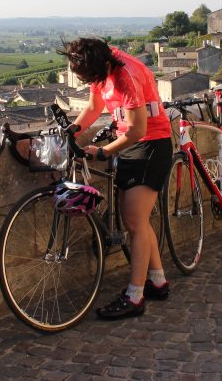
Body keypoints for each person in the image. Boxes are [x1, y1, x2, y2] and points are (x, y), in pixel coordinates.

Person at [60, 37, 172, 319]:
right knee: (137, 219)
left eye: (90, 78)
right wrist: (73, 129)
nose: (89, 82)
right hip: (132, 142)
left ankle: (135, 297)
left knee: (134, 220)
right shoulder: (101, 66)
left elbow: (137, 129)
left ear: (101, 66)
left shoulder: (126, 74)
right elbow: (94, 107)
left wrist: (102, 152)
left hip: (150, 143)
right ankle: (157, 281)